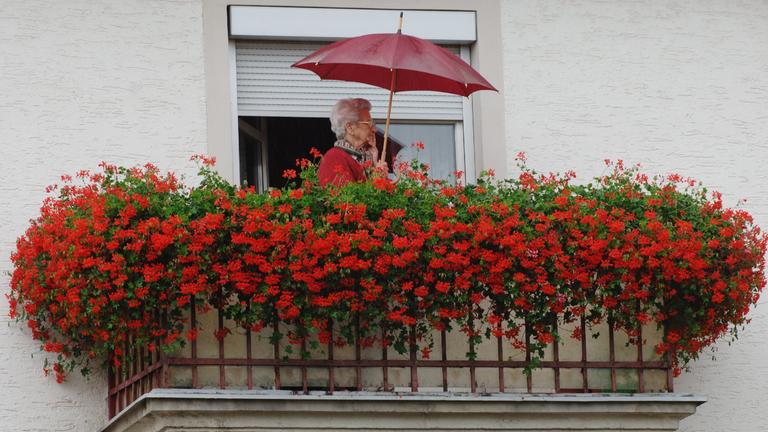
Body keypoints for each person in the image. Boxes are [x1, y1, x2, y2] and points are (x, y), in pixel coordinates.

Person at [318, 98, 388, 187]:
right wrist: (376, 179)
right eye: (368, 123)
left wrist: (378, 171)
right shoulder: (334, 158)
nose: (374, 129)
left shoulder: (366, 157)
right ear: (350, 127)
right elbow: (346, 199)